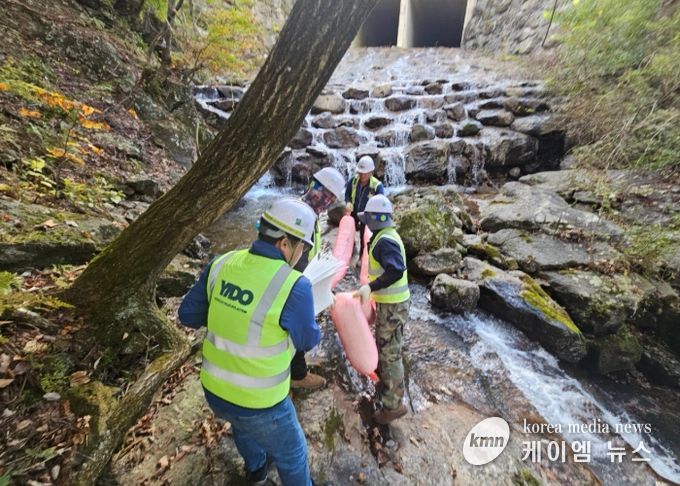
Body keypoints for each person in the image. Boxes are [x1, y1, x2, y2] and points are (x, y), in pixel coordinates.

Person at [178, 198, 319, 486]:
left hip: (215, 392)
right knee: (293, 455)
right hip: (261, 403)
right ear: (284, 243)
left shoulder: (222, 262)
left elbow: (188, 315)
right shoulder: (295, 285)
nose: (302, 253)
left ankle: (256, 471)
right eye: (302, 247)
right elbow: (307, 340)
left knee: (242, 426)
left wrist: (231, 310)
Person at [353, 195, 410, 425]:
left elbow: (396, 270)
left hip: (393, 306)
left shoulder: (385, 241)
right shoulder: (384, 235)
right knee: (387, 347)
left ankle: (393, 406)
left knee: (390, 354)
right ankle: (385, 389)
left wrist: (371, 286)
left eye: (367, 218)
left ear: (375, 219)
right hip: (391, 305)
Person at [290, 166, 346, 391]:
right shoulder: (301, 215)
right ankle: (297, 374)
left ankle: (293, 368)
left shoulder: (307, 212)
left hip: (300, 277)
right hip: (294, 280)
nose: (327, 202)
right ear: (315, 187)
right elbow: (295, 258)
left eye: (331, 199)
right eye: (327, 196)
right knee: (298, 325)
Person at [344, 155, 385, 256]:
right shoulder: (353, 181)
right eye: (360, 173)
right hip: (354, 212)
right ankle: (351, 249)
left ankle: (363, 255)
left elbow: (381, 203)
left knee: (364, 236)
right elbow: (347, 194)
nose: (362, 175)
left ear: (371, 172)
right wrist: (348, 202)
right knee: (349, 233)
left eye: (364, 173)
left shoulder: (377, 186)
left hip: (367, 215)